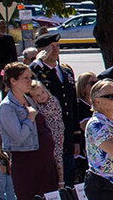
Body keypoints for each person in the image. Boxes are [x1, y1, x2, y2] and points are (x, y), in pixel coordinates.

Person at [0, 62, 57, 200]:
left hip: (43, 161)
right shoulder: (6, 107)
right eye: (25, 78)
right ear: (12, 81)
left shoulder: (29, 99)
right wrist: (30, 118)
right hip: (25, 162)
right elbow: (18, 136)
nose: (29, 81)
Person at [30, 32, 78, 186]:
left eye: (57, 46)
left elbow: (72, 105)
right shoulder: (38, 72)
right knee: (52, 181)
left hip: (68, 134)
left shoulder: (66, 72)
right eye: (51, 48)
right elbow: (25, 80)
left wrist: (76, 137)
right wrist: (38, 61)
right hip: (49, 135)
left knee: (68, 180)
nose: (56, 50)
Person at [29, 80, 66, 182]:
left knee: (58, 156)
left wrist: (34, 107)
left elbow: (45, 112)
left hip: (56, 130)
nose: (42, 96)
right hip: (48, 131)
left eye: (43, 92)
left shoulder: (52, 101)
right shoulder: (40, 105)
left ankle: (61, 181)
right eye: (37, 96)